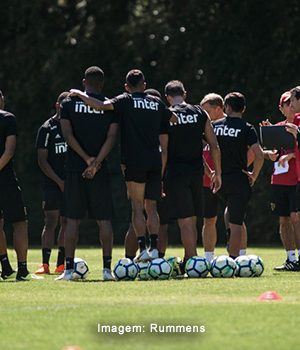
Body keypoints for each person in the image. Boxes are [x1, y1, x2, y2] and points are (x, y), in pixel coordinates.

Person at [69, 69, 177, 262]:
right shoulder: (155, 101)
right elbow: (173, 118)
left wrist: (79, 94)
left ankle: (142, 249)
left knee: (137, 207)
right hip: (154, 159)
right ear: (144, 85)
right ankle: (154, 248)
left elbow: (101, 105)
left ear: (127, 86)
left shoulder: (125, 99)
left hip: (134, 160)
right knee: (151, 207)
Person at [57, 66, 118, 281]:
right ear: (101, 84)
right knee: (104, 220)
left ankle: (68, 271)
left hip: (75, 168)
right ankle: (107, 270)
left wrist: (86, 160)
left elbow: (67, 134)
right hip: (99, 171)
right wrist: (96, 162)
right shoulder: (109, 106)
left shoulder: (69, 103)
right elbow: (111, 138)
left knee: (72, 221)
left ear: (84, 82)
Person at [162, 81, 221, 270]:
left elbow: (164, 149)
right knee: (194, 218)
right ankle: (189, 258)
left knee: (185, 220)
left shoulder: (166, 115)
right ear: (184, 93)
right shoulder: (199, 112)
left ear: (167, 97)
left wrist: (160, 177)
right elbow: (213, 144)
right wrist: (216, 173)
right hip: (196, 173)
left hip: (176, 173)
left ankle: (193, 260)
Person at [213, 92, 264, 258]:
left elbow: (201, 148)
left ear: (227, 107)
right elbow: (259, 154)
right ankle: (233, 260)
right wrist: (254, 175)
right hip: (238, 179)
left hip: (220, 180)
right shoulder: (246, 127)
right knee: (236, 223)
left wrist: (211, 171)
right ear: (243, 109)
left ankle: (230, 242)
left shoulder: (215, 125)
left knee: (229, 209)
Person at [200, 93, 249, 262]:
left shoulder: (230, 126)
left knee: (236, 218)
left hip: (226, 178)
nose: (203, 115)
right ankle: (208, 258)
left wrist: (242, 168)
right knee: (209, 219)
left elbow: (251, 151)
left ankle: (241, 257)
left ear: (219, 108)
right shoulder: (208, 127)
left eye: (206, 111)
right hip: (209, 180)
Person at [0, 90, 37, 281]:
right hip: (5, 180)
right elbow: (10, 150)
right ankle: (22, 269)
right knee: (19, 223)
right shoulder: (8, 119)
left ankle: (5, 266)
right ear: (1, 100)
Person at [263, 91, 300, 271]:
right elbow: (273, 154)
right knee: (283, 220)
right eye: (286, 103)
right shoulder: (278, 127)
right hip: (279, 180)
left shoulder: (298, 125)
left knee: (296, 217)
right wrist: (269, 153)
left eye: (292, 102)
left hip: (296, 180)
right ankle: (290, 258)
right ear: (281, 108)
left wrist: (292, 155)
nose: (290, 106)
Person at [35, 92, 69, 275]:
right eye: (63, 105)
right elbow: (42, 161)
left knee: (66, 222)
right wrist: (58, 181)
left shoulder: (73, 127)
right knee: (50, 222)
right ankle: (45, 264)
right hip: (52, 183)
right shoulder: (47, 128)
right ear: (57, 105)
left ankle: (61, 264)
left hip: (70, 183)